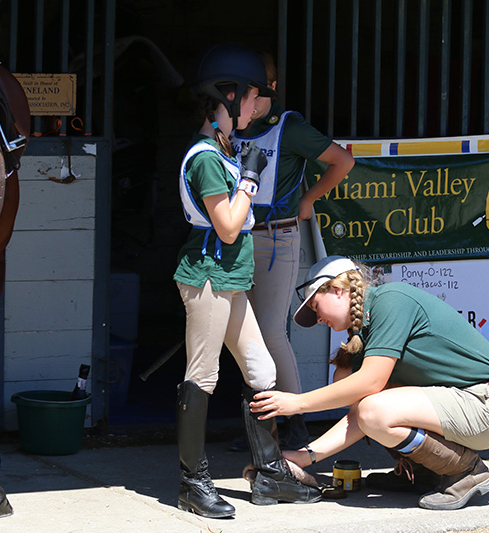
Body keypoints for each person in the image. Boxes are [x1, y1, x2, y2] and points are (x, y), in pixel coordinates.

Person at [173, 42, 320, 518]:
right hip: (209, 276)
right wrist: (251, 181)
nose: (259, 106)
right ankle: (193, 482)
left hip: (229, 277)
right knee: (203, 375)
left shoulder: (223, 149)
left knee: (262, 372)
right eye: (254, 96)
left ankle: (271, 473)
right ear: (229, 97)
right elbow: (230, 225)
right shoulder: (205, 158)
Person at [248, 256, 489, 511]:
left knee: (372, 404)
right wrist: (304, 457)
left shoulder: (391, 300)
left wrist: (297, 403)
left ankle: (466, 470)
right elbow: (358, 416)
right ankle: (426, 472)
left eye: (316, 307)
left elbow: (371, 385)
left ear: (337, 290)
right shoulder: (366, 331)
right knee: (351, 386)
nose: (318, 318)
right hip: (464, 404)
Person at [231, 53, 354, 450]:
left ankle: (294, 424)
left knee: (270, 331)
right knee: (242, 332)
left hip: (274, 236)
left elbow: (342, 161)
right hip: (238, 237)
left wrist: (310, 199)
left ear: (269, 86)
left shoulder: (289, 126)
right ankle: (260, 425)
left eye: (254, 85)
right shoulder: (231, 126)